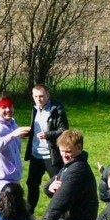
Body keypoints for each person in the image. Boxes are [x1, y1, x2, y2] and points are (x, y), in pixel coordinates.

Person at [25, 84, 68, 212]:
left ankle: (61, 214)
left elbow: (64, 130)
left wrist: (48, 135)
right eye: (36, 96)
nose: (39, 99)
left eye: (42, 96)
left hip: (51, 154)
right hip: (36, 154)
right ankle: (29, 213)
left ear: (48, 95)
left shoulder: (57, 109)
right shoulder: (35, 109)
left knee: (57, 186)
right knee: (32, 184)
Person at [0, 96, 30, 198]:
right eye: (4, 107)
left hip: (14, 177)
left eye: (10, 106)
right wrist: (12, 135)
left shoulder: (12, 122)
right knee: (4, 211)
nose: (8, 110)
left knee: (14, 211)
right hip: (1, 180)